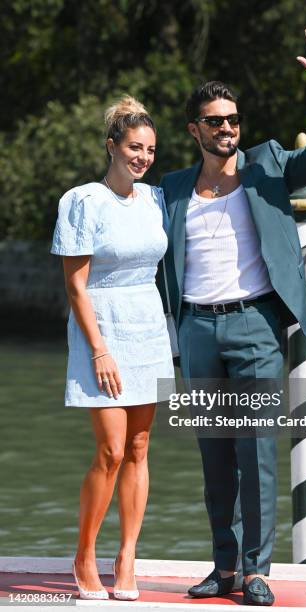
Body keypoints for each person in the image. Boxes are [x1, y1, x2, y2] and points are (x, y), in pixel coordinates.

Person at [159, 25, 306, 606]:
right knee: (214, 456)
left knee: (257, 450)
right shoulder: (169, 189)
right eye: (215, 121)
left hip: (255, 328)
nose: (227, 129)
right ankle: (223, 569)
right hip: (195, 329)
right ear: (194, 129)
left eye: (233, 120)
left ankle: (257, 571)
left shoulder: (269, 164)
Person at [51, 95, 174, 600]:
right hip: (100, 327)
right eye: (133, 147)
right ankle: (84, 554)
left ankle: (127, 557)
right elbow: (76, 286)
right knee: (110, 449)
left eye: (148, 149)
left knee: (141, 448)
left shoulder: (156, 199)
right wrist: (99, 349)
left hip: (148, 325)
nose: (142, 157)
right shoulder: (82, 201)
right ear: (112, 147)